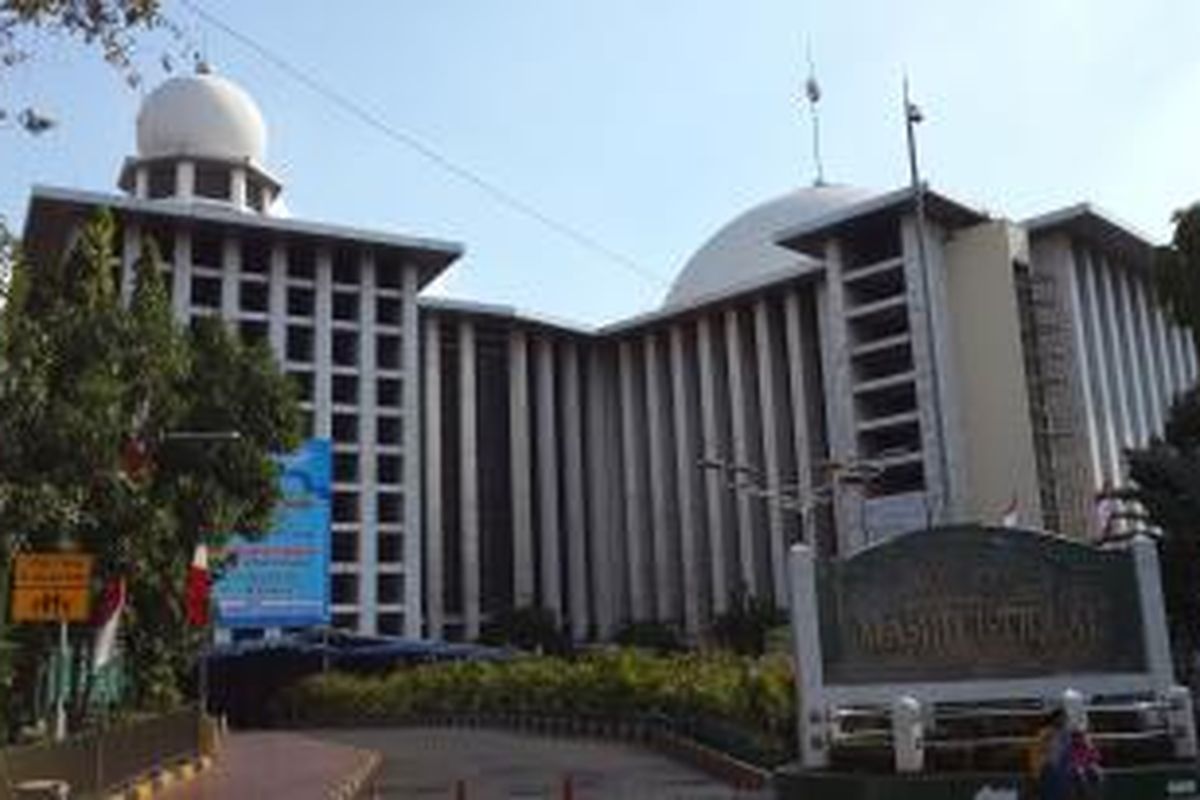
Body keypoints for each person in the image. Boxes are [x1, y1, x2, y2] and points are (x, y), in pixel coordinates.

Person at [1028, 708, 1070, 800]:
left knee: (1060, 794)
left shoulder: (1065, 733)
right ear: (1054, 718)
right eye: (1061, 718)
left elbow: (1067, 752)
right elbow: (1035, 752)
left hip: (1060, 771)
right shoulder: (1045, 733)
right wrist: (1036, 772)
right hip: (1048, 769)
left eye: (1065, 718)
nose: (1064, 720)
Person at [1067, 728, 1102, 800]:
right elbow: (1071, 760)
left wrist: (1092, 762)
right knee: (1080, 773)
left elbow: (1097, 757)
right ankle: (1083, 795)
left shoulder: (1088, 746)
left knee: (1097, 771)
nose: (1077, 740)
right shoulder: (1070, 748)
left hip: (1086, 768)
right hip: (1074, 771)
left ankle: (1095, 795)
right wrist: (1078, 765)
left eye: (1079, 737)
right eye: (1075, 737)